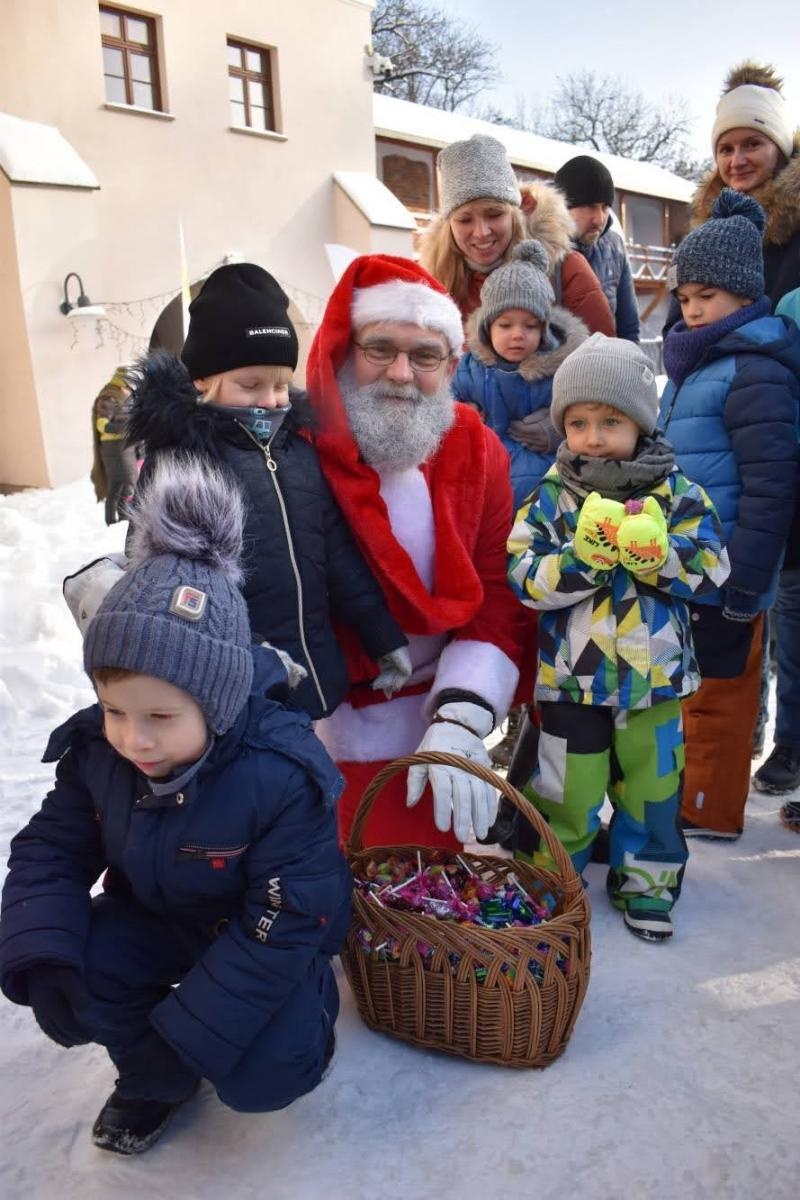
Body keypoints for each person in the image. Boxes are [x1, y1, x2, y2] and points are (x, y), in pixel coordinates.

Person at [0, 457, 353, 1154]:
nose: (134, 738)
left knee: (264, 1078)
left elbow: (284, 922)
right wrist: (41, 953)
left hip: (263, 933)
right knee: (87, 965)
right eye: (113, 710)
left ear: (217, 701)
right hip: (157, 915)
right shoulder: (103, 755)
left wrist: (188, 1039)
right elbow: (51, 849)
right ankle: (153, 1080)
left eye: (160, 716)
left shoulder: (279, 774)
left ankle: (297, 1019)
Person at [305, 254, 532, 849]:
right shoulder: (295, 451)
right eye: (380, 348)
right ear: (344, 350)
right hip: (319, 728)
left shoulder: (477, 452)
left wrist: (460, 719)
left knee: (423, 905)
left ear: (451, 364)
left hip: (435, 721)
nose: (402, 373)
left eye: (425, 355)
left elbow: (496, 593)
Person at [508, 334, 729, 941]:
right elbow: (524, 576)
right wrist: (581, 560)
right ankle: (553, 884)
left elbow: (713, 566)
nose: (593, 436)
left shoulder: (678, 493)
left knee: (653, 794)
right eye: (577, 422)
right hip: (572, 684)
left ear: (642, 422)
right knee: (565, 793)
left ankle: (648, 886)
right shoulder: (552, 496)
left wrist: (660, 556)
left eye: (610, 420)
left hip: (654, 684)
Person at [127, 262, 411, 721]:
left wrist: (381, 634)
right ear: (203, 381)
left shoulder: (297, 451)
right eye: (250, 385)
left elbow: (336, 555)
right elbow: (171, 591)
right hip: (241, 693)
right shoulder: (185, 464)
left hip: (314, 676)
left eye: (280, 384)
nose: (271, 400)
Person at [660, 189, 800, 838]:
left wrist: (746, 579)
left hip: (728, 572)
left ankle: (711, 812)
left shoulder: (755, 370)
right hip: (684, 564)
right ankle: (685, 798)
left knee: (722, 695)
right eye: (684, 298)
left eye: (705, 298)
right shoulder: (698, 363)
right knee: (689, 690)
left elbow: (773, 483)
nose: (691, 310)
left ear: (745, 298)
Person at [418, 133, 615, 335]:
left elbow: (607, 358)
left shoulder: (565, 270)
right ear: (449, 224)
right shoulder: (432, 287)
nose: (481, 232)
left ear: (516, 212)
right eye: (464, 220)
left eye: (494, 214)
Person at [453, 238, 589, 513]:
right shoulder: (471, 368)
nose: (517, 334)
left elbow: (587, 414)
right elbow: (441, 401)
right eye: (505, 325)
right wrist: (459, 413)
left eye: (530, 325)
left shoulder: (559, 372)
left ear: (545, 329)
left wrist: (558, 430)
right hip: (484, 488)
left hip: (545, 491)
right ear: (487, 328)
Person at [554, 155, 641, 343]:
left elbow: (629, 328)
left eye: (605, 207)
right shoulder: (539, 249)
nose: (599, 219)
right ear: (562, 206)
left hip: (609, 365)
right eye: (589, 206)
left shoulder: (614, 246)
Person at [90, 366, 139, 524]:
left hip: (127, 446)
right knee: (121, 483)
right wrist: (124, 429)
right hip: (114, 447)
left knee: (125, 483)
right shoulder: (110, 397)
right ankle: (116, 520)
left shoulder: (127, 395)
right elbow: (101, 424)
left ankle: (120, 519)